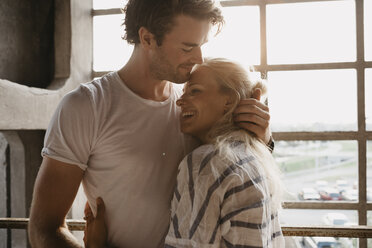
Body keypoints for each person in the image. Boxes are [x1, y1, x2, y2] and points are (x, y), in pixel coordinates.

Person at [28, 1, 273, 247]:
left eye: (201, 46)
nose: (199, 58)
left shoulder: (196, 104)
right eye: (188, 47)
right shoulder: (86, 106)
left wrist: (262, 138)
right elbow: (44, 229)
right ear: (147, 38)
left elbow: (236, 173)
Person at [84, 58, 284, 248]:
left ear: (228, 101)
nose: (179, 102)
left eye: (195, 91)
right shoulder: (255, 157)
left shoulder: (206, 164)